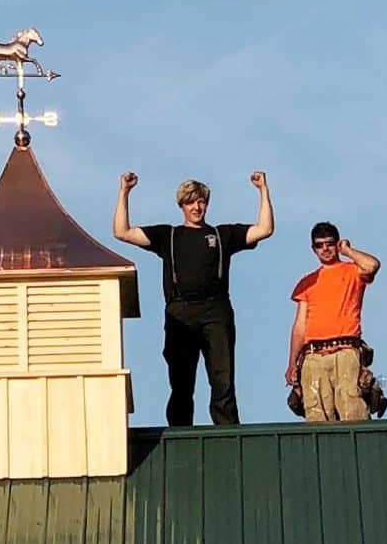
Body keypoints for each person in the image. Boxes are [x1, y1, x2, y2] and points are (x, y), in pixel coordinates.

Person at [113, 171, 273, 426]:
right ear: (182, 206)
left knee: (223, 377)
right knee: (181, 380)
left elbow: (264, 229)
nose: (197, 207)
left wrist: (263, 190)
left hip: (216, 310)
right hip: (180, 312)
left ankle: (228, 432)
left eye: (201, 202)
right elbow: (121, 232)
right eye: (191, 202)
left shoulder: (222, 235)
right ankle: (180, 432)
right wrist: (124, 191)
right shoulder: (169, 236)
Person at [285, 222, 381, 422]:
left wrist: (346, 250)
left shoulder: (352, 271)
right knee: (316, 415)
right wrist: (292, 364)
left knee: (352, 409)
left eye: (330, 243)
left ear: (336, 244)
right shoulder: (307, 282)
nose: (325, 249)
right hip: (313, 355)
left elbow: (371, 265)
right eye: (319, 245)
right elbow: (300, 326)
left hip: (345, 349)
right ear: (313, 249)